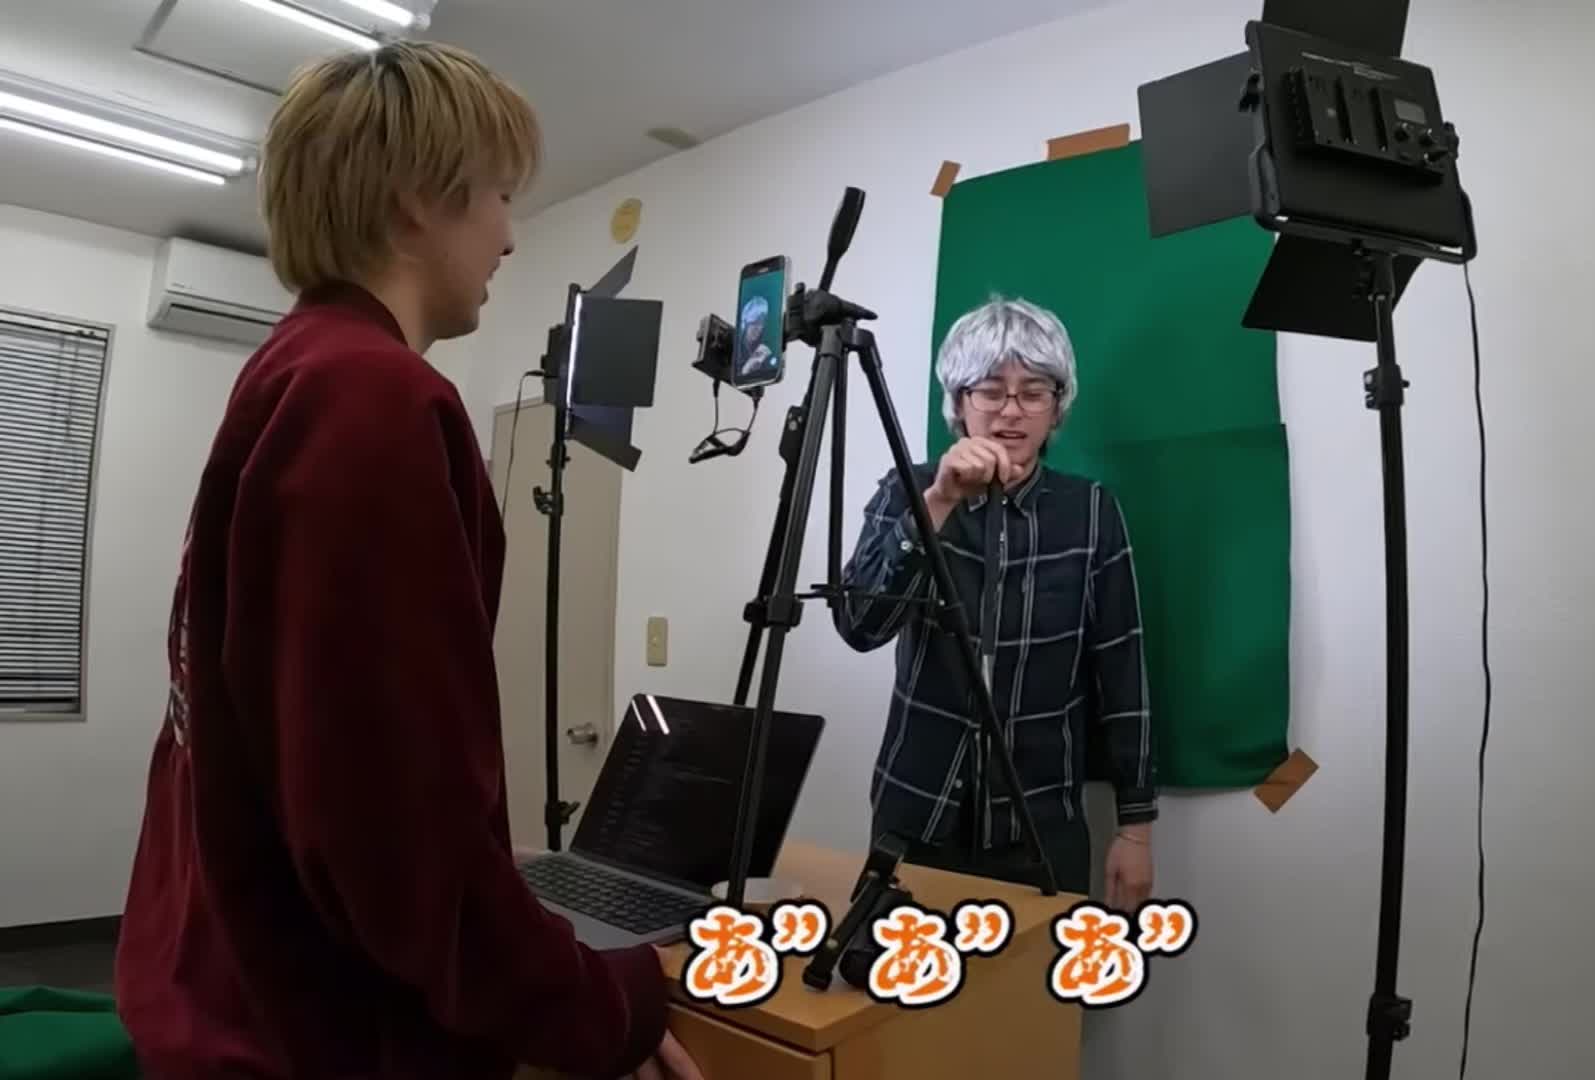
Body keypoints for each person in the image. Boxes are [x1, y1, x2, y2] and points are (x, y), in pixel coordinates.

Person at [114, 43, 701, 1080]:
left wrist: (490, 882)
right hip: (325, 1038)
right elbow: (393, 834)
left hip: (230, 996)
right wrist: (602, 1007)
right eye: (502, 194)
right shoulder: (370, 399)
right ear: (417, 200)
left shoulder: (291, 372)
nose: (511, 235)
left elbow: (303, 758)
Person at [834, 297, 1157, 909]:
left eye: (1033, 393)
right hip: (917, 814)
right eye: (989, 391)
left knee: (1036, 975)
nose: (1011, 410)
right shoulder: (909, 488)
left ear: (1057, 407)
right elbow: (859, 625)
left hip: (1040, 825)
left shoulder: (1091, 511)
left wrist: (1134, 829)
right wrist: (938, 502)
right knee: (901, 972)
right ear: (959, 404)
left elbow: (1123, 672)